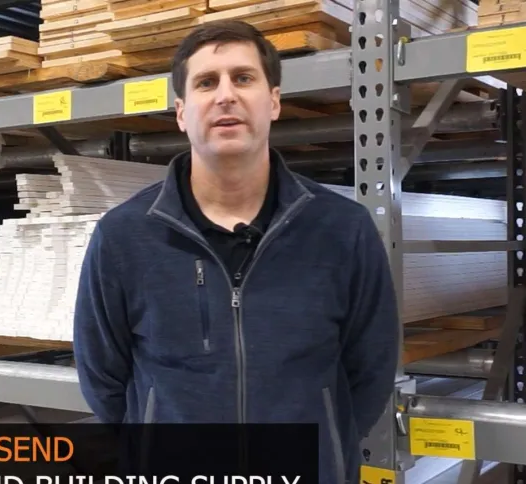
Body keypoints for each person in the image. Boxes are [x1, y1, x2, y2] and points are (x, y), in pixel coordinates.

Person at [72, 19, 400, 484]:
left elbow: (371, 369)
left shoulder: (342, 229)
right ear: (182, 113)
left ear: (274, 101)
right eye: (207, 82)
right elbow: (103, 379)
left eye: (243, 78)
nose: (226, 95)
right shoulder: (123, 237)